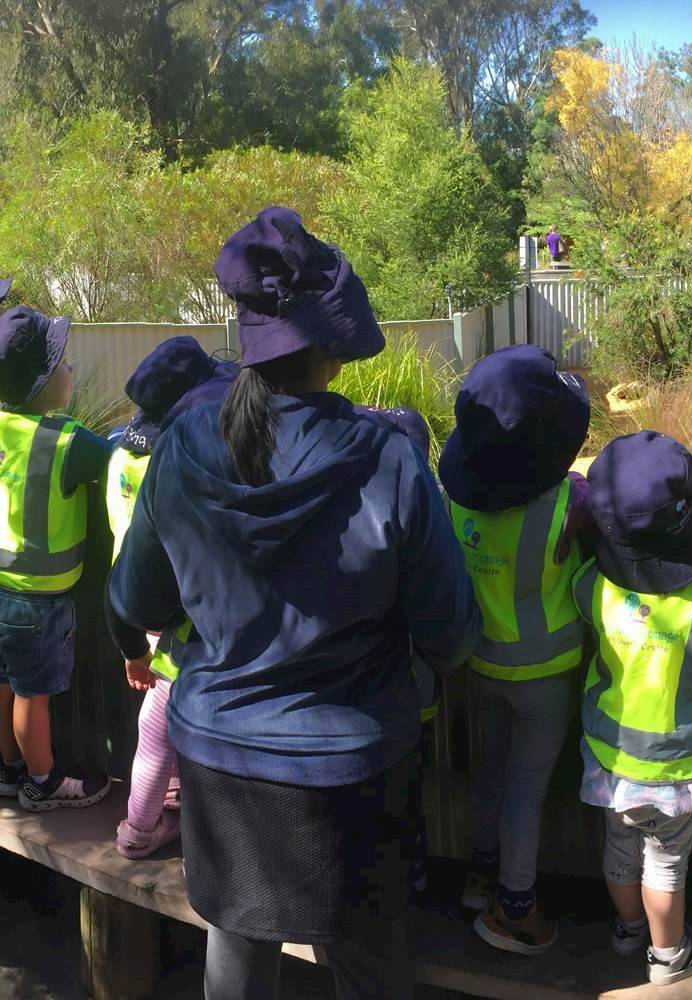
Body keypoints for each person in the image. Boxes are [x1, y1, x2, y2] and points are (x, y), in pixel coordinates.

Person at [106, 206, 480, 1000]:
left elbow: (132, 598)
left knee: (235, 960)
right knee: (370, 965)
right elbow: (451, 631)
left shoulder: (182, 445)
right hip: (357, 770)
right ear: (334, 344)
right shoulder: (392, 458)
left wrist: (138, 652)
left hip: (221, 762)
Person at [575, 430, 692, 986]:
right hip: (680, 763)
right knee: (666, 861)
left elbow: (587, 580)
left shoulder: (594, 588)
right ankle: (668, 953)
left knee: (622, 849)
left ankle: (630, 928)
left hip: (613, 753)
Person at [439, 346, 592, 954]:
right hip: (546, 673)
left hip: (482, 661)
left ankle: (479, 875)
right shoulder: (565, 504)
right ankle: (516, 910)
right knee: (525, 792)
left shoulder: (455, 502)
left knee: (490, 774)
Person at [109, 336, 235, 857]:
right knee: (161, 722)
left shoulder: (120, 456)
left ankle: (165, 801)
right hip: (179, 611)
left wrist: (131, 645)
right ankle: (138, 830)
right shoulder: (183, 465)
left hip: (141, 602)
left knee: (162, 715)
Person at [0, 301, 114, 811]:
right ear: (42, 383)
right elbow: (119, 460)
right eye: (62, 364)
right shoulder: (68, 441)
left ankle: (9, 770)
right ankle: (42, 784)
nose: (70, 370)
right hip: (37, 600)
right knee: (33, 694)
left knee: (3, 684)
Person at [355, 404, 443, 893]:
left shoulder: (353, 511)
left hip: (376, 691)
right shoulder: (431, 510)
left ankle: (399, 878)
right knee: (408, 786)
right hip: (412, 686)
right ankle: (410, 877)